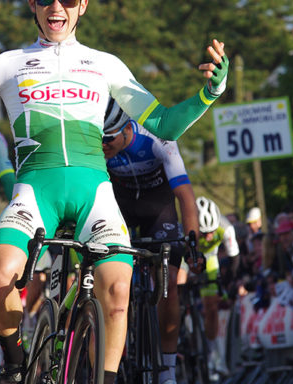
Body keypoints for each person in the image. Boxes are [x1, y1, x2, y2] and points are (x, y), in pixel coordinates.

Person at [0, 0, 229, 384]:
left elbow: (165, 124)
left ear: (83, 5)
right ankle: (16, 362)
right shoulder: (10, 62)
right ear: (32, 4)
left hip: (95, 193)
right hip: (34, 193)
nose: (57, 7)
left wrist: (210, 92)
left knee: (118, 291)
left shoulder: (106, 64)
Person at [101, 99, 200, 384]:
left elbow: (186, 197)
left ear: (126, 129)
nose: (103, 144)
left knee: (168, 283)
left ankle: (167, 369)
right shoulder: (99, 145)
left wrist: (193, 244)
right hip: (121, 206)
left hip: (158, 207)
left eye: (108, 139)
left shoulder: (157, 138)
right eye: (100, 138)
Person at [194, 196, 239, 379]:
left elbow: (234, 258)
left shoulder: (226, 227)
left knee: (212, 309)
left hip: (210, 258)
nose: (209, 237)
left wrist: (228, 282)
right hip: (189, 256)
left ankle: (212, 357)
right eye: (204, 233)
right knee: (178, 283)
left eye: (211, 232)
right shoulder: (188, 226)